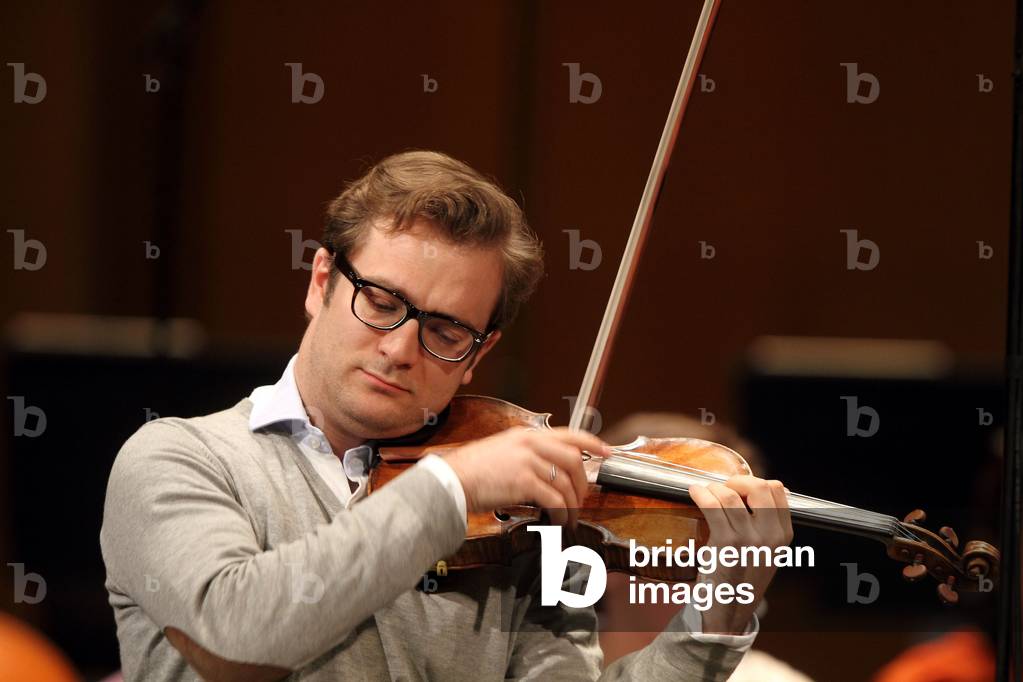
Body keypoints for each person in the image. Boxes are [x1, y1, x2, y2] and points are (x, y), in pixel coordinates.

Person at [100, 150, 794, 681]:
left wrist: (719, 610)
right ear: (320, 282)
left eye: (446, 330)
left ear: (477, 353)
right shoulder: (178, 459)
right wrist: (449, 486)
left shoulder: (507, 532)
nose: (400, 348)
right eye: (379, 300)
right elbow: (236, 632)